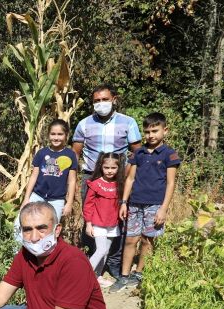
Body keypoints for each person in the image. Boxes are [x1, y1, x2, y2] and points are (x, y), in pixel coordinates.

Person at [72, 84, 142, 277]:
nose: (100, 103)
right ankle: (94, 265)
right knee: (91, 219)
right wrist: (73, 180)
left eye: (104, 99)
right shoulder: (84, 124)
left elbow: (138, 153)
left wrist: (127, 174)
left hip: (118, 179)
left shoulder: (128, 123)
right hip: (91, 177)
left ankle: (113, 263)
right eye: (96, 101)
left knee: (117, 219)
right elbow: (74, 155)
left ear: (114, 99)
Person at [110, 112, 180, 292]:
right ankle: (124, 275)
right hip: (134, 203)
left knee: (148, 240)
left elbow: (171, 183)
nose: (151, 135)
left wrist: (163, 209)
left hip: (155, 204)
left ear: (165, 131)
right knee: (130, 239)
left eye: (155, 131)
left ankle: (139, 272)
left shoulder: (169, 155)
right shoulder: (138, 153)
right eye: (147, 131)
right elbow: (130, 179)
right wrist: (124, 202)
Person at [16, 119, 78, 242]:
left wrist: (69, 203)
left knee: (51, 229)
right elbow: (34, 176)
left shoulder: (70, 155)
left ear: (66, 136)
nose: (56, 137)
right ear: (48, 135)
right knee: (19, 223)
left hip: (57, 199)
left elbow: (72, 181)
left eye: (60, 134)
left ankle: (45, 256)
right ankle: (17, 252)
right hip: (37, 196)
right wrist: (26, 198)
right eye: (53, 134)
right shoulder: (41, 153)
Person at [83, 153, 126, 288]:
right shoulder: (96, 184)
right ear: (101, 167)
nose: (109, 171)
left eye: (113, 168)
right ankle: (84, 277)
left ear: (118, 168)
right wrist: (88, 224)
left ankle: (97, 276)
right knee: (100, 250)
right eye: (106, 167)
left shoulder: (119, 185)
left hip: (112, 224)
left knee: (106, 251)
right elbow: (88, 205)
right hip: (97, 223)